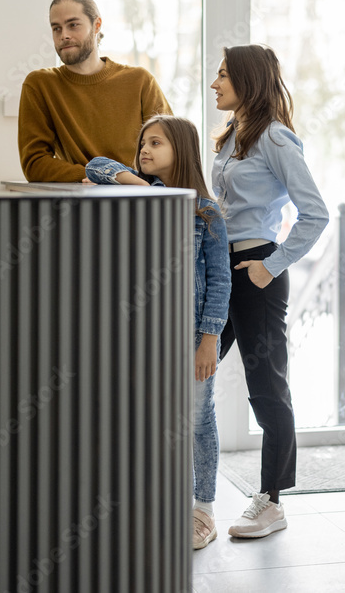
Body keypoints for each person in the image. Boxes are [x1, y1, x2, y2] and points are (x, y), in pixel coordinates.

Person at [84, 115, 230, 550]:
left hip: (192, 336)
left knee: (197, 418)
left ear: (181, 151)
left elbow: (220, 280)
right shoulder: (140, 199)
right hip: (145, 338)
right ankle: (163, 503)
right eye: (143, 142)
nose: (145, 150)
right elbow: (95, 165)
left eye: (157, 143)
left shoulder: (205, 211)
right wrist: (141, 186)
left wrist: (209, 339)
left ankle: (201, 509)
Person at [210, 45, 328, 538]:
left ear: (246, 81)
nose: (213, 84)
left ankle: (272, 501)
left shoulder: (275, 140)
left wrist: (270, 265)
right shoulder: (230, 137)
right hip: (222, 269)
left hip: (257, 272)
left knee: (267, 387)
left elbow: (315, 213)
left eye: (221, 76)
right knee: (191, 376)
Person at [18, 0, 172, 182]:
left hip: (142, 197)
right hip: (81, 200)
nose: (64, 35)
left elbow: (173, 150)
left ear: (96, 25)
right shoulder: (39, 85)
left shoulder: (140, 81)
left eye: (73, 25)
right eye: (56, 28)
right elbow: (35, 164)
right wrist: (103, 176)